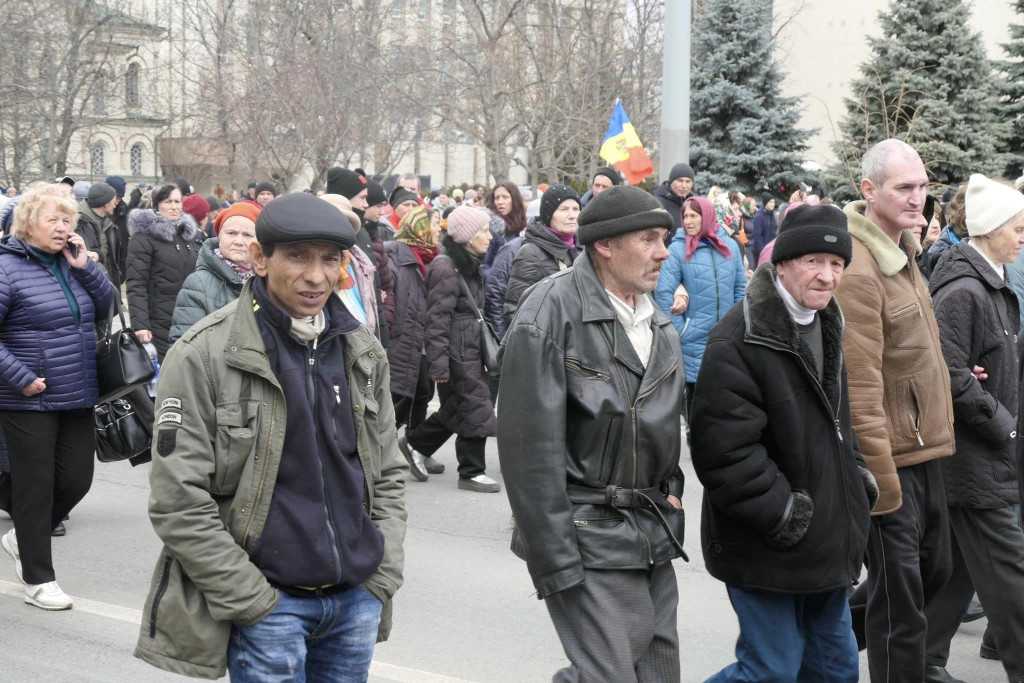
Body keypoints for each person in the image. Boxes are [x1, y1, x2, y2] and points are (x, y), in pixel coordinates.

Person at [134, 193, 407, 679]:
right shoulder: (202, 355)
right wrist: (252, 600)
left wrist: (380, 576)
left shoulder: (363, 353)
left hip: (355, 601)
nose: (316, 275)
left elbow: (387, 473)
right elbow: (178, 499)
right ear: (260, 259)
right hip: (268, 607)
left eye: (330, 259)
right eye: (298, 256)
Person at [498, 185, 686, 681]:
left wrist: (672, 494)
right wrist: (556, 563)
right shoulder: (549, 312)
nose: (663, 251)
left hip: (651, 536)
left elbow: (662, 430)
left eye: (664, 237)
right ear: (604, 244)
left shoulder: (658, 322)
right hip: (586, 536)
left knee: (659, 676)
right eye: (648, 238)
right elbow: (527, 455)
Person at [693, 204, 874, 682]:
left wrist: (857, 483)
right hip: (768, 545)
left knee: (835, 670)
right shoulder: (738, 336)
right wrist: (786, 515)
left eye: (837, 264)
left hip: (827, 544)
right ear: (782, 262)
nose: (828, 276)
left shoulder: (828, 323)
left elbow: (839, 425)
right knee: (771, 671)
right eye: (814, 261)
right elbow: (724, 452)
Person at [834, 139, 956, 683]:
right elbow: (860, 390)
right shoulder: (859, 268)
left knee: (933, 574)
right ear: (868, 191)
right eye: (904, 188)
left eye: (924, 186)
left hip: (927, 452)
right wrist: (881, 490)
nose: (919, 198)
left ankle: (822, 636)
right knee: (901, 607)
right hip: (891, 465)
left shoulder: (903, 249)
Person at [925, 174, 1024, 683]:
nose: (1023, 236)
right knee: (1010, 574)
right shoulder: (966, 289)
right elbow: (949, 371)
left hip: (985, 451)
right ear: (988, 229)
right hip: (971, 456)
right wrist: (1004, 425)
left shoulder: (993, 283)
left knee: (963, 566)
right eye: (1017, 227)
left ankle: (920, 660)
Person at [0, 183, 115, 610]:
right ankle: (38, 578)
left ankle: (23, 537)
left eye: (68, 219)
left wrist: (86, 267)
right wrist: (21, 377)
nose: (63, 227)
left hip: (78, 389)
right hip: (27, 396)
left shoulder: (72, 262)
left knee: (76, 480)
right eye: (54, 219)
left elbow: (109, 306)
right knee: (35, 487)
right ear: (28, 222)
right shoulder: (6, 268)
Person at [398, 207, 500, 492]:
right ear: (468, 236)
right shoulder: (446, 266)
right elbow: (436, 319)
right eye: (484, 231)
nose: (490, 237)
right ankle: (471, 471)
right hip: (458, 350)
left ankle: (416, 442)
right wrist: (438, 365)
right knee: (475, 404)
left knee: (458, 405)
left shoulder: (468, 262)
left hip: (468, 346)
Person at [653, 196, 746, 417]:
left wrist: (736, 325)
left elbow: (740, 287)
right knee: (697, 412)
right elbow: (664, 291)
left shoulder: (730, 246)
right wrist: (680, 330)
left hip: (727, 341)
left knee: (725, 411)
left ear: (707, 217)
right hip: (692, 344)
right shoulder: (676, 250)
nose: (687, 221)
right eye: (685, 216)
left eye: (694, 215)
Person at [385, 206, 441, 459]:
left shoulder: (434, 257)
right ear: (420, 228)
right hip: (404, 339)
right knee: (400, 397)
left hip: (425, 340)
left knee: (422, 395)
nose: (439, 228)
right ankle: (380, 450)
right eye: (435, 223)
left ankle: (416, 449)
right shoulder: (395, 257)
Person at [126, 182, 205, 361]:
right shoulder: (143, 238)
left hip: (189, 318)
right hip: (158, 321)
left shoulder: (190, 237)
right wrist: (140, 324)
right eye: (168, 202)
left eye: (177, 201)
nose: (174, 206)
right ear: (157, 204)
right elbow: (136, 283)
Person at [169, 201, 260, 342]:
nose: (239, 241)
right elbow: (184, 347)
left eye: (247, 235)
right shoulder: (198, 284)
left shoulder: (268, 282)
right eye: (232, 233)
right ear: (220, 237)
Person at [502, 185, 580, 331]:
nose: (572, 215)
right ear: (549, 215)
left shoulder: (584, 247)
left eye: (575, 209)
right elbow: (514, 310)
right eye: (563, 209)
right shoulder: (531, 253)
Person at [481, 181, 527, 279]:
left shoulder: (519, 225)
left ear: (515, 199)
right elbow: (482, 266)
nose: (500, 202)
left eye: (505, 197)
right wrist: (503, 281)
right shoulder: (491, 227)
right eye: (497, 198)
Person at [76, 182, 118, 273]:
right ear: (106, 204)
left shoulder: (107, 222)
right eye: (113, 202)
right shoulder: (79, 223)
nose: (115, 205)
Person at [652, 162, 695, 238]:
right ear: (671, 182)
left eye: (688, 181)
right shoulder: (657, 204)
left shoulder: (695, 204)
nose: (684, 186)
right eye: (680, 181)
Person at [104, 175, 131, 285]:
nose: (116, 202)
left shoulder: (126, 212)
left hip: (119, 267)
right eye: (114, 198)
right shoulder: (100, 212)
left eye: (119, 199)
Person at [752, 193, 778, 264]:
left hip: (770, 250)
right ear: (765, 203)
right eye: (770, 202)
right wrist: (762, 252)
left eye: (774, 202)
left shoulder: (772, 214)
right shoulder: (759, 216)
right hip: (760, 251)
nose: (773, 204)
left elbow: (774, 231)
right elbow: (757, 235)